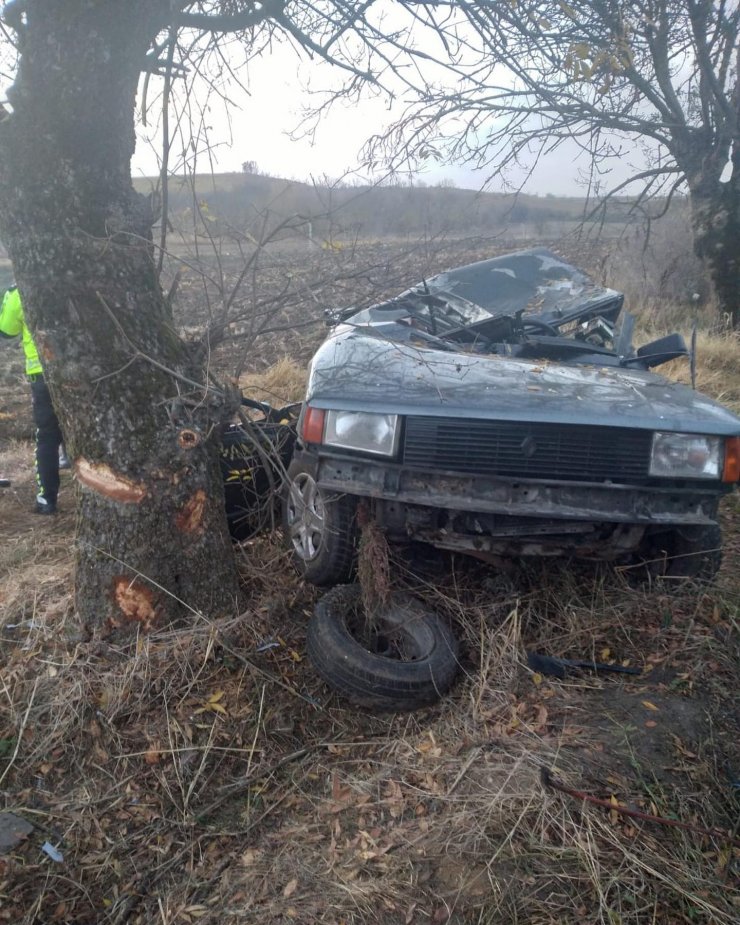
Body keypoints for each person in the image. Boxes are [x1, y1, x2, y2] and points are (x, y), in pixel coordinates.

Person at [0, 285, 65, 514]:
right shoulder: (77, 273)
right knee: (86, 423)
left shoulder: (20, 289)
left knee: (47, 435)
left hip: (42, 372)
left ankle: (47, 499)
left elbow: (6, 330)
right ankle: (68, 458)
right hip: (85, 369)